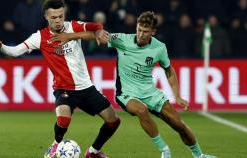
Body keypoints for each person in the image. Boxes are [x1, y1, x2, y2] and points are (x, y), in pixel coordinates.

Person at [49, 11, 217, 158]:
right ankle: (164, 150)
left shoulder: (160, 48)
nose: (141, 34)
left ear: (153, 32)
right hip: (126, 93)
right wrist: (69, 36)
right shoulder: (122, 39)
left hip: (150, 92)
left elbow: (169, 70)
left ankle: (199, 155)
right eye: (139, 29)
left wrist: (177, 95)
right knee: (141, 110)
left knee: (178, 124)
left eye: (145, 31)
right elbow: (96, 35)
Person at [0, 0, 120, 158]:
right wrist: (1, 47)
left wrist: (88, 33)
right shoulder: (39, 37)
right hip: (63, 88)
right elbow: (14, 52)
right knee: (63, 118)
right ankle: (56, 144)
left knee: (114, 121)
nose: (58, 20)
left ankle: (93, 152)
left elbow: (96, 27)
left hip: (86, 87)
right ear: (46, 17)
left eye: (61, 16)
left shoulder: (73, 26)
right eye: (54, 17)